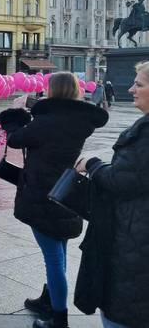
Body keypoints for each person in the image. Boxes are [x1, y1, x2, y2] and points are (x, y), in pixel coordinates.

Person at [0, 72, 108, 328]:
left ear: (53, 91)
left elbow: (16, 139)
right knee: (59, 250)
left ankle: (59, 317)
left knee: (53, 258)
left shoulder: (48, 122)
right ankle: (49, 299)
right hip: (66, 193)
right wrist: (33, 109)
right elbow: (48, 122)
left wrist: (15, 114)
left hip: (42, 194)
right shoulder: (79, 120)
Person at [74, 61, 149, 328]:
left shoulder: (146, 134)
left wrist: (93, 165)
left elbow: (123, 180)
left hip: (135, 241)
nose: (130, 89)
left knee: (122, 314)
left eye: (139, 84)